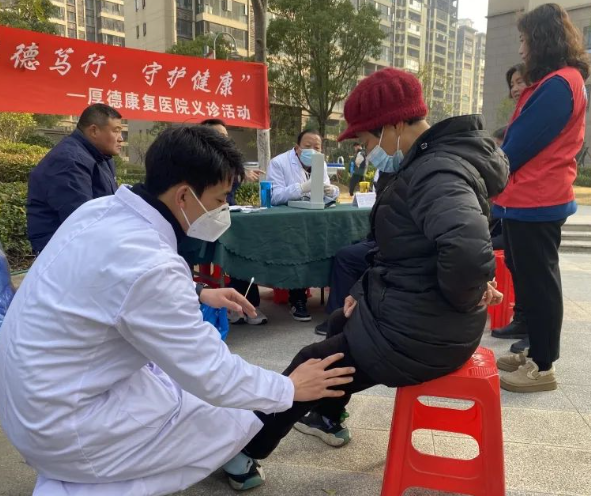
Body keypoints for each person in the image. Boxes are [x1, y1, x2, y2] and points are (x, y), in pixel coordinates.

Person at [0, 126, 355, 496]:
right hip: (61, 426)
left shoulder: (99, 211)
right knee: (225, 417)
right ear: (184, 195)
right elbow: (211, 372)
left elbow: (114, 284)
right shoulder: (152, 264)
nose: (223, 210)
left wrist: (199, 292)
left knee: (172, 384)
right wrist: (289, 387)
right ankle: (81, 484)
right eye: (220, 199)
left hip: (31, 398)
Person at [222, 67, 508, 489]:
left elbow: (465, 249)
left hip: (426, 334)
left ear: (394, 126)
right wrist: (362, 291)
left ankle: (245, 452)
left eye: (367, 141)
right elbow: (400, 252)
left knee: (313, 362)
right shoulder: (424, 164)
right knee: (340, 320)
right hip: (429, 318)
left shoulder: (435, 173)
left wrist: (466, 296)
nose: (366, 150)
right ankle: (326, 416)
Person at [492, 3, 590, 393]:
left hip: (538, 197)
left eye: (524, 40)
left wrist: (489, 169)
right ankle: (534, 350)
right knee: (529, 279)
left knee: (540, 283)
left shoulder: (559, 84)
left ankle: (543, 365)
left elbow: (520, 144)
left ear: (541, 39)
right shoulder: (556, 81)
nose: (521, 49)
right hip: (528, 197)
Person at [26, 104, 123, 254]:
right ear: (94, 131)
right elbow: (81, 218)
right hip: (61, 251)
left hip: (88, 244)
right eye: (116, 131)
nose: (121, 138)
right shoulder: (69, 161)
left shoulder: (102, 156)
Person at [266, 130, 340, 322]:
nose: (312, 151)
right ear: (297, 148)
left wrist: (332, 191)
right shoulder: (279, 163)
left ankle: (333, 293)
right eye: (308, 146)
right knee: (297, 247)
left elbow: (325, 192)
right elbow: (274, 196)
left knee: (329, 242)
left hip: (314, 219)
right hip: (288, 223)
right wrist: (302, 188)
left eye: (317, 147)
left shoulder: (320, 163)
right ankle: (297, 299)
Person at [200, 118, 267, 326]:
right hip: (204, 222)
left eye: (225, 136)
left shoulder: (230, 161)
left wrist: (241, 173)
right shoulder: (197, 162)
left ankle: (248, 304)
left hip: (231, 215)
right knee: (237, 246)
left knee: (245, 245)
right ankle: (237, 306)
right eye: (217, 136)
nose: (223, 140)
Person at [314, 169, 396, 336]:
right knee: (354, 246)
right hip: (384, 236)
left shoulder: (409, 173)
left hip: (395, 243)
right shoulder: (391, 170)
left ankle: (339, 316)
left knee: (346, 256)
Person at [490, 63, 530, 346]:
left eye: (520, 82)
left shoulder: (535, 117)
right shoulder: (520, 116)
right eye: (512, 83)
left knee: (533, 272)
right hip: (513, 206)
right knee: (517, 264)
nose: (515, 88)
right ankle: (522, 320)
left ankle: (537, 336)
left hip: (532, 206)